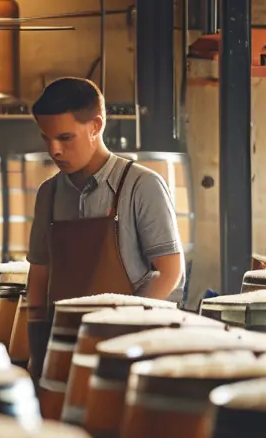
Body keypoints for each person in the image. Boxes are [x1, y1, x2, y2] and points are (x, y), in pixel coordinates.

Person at [25, 77, 185, 382]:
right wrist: (37, 347)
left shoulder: (140, 185)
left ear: (95, 125)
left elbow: (169, 271)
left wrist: (123, 329)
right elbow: (40, 274)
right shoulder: (49, 193)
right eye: (46, 139)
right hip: (63, 345)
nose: (54, 150)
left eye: (65, 137)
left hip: (125, 349)